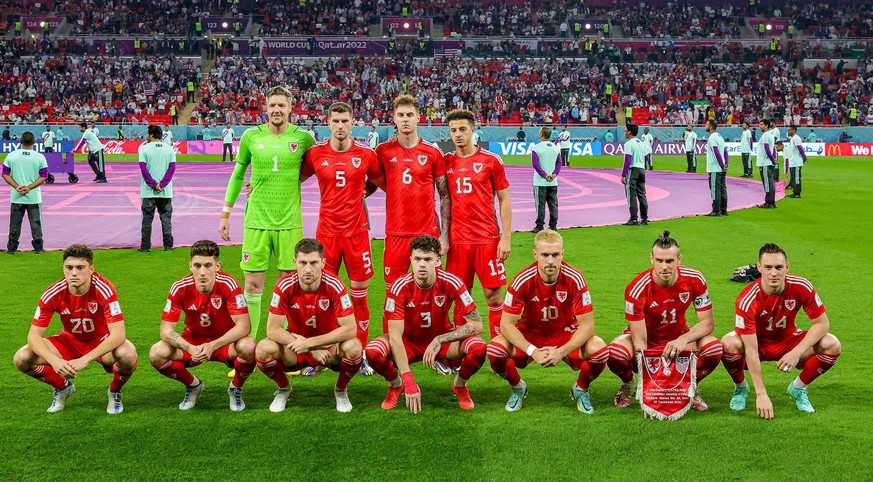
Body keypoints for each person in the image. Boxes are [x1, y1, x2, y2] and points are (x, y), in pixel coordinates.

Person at [219, 86, 316, 346]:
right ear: (266, 107)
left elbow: (317, 166)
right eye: (272, 105)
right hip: (256, 221)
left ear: (290, 108)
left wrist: (290, 181)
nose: (276, 110)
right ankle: (248, 345)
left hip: (289, 223)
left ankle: (286, 346)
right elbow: (239, 173)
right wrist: (226, 213)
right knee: (251, 285)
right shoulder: (251, 136)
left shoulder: (304, 138)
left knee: (289, 287)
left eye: (281, 105)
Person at [300, 102, 384, 374]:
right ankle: (322, 357)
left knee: (359, 297)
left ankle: (359, 355)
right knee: (323, 298)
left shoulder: (366, 155)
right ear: (328, 122)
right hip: (326, 236)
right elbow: (293, 180)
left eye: (344, 121)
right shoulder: (315, 154)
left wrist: (364, 193)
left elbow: (382, 181)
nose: (339, 125)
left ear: (352, 123)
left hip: (357, 234)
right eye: (335, 121)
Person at [487, 230, 609, 413]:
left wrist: (562, 352)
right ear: (535, 254)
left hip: (565, 334)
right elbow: (506, 325)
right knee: (495, 350)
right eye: (545, 255)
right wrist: (532, 351)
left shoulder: (575, 278)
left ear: (562, 254)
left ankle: (581, 389)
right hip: (531, 335)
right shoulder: (522, 280)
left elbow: (588, 326)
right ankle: (517, 387)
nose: (550, 261)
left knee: (600, 350)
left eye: (555, 255)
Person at [365, 235, 487, 412]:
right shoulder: (398, 287)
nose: (422, 264)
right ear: (411, 260)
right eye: (417, 259)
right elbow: (395, 337)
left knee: (478, 347)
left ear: (438, 260)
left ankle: (459, 385)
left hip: (443, 342)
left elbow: (477, 325)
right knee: (373, 351)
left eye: (428, 259)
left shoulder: (452, 282)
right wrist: (408, 380)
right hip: (409, 343)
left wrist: (439, 340)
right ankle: (396, 384)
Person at [12, 244, 138, 414]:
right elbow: (34, 336)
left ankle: (114, 391)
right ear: (63, 268)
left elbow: (118, 334)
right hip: (69, 341)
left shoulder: (104, 288)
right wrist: (54, 361)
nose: (74, 273)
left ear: (91, 269)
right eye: (69, 268)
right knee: (22, 357)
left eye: (80, 268)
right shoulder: (53, 293)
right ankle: (62, 387)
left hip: (101, 340)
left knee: (128, 355)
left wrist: (85, 359)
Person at [721, 243, 841, 418]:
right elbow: (751, 350)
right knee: (728, 343)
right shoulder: (747, 299)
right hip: (757, 343)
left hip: (788, 340)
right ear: (759, 267)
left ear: (787, 267)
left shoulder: (802, 286)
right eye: (768, 267)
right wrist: (761, 394)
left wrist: (796, 352)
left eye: (778, 267)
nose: (774, 273)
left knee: (832, 344)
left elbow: (822, 324)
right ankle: (741, 388)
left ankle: (798, 389)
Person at [607, 230, 724, 411]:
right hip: (647, 340)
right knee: (615, 353)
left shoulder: (695, 279)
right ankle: (628, 383)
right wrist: (649, 392)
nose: (664, 267)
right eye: (659, 260)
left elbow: (708, 323)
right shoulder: (636, 288)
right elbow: (640, 343)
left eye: (669, 261)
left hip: (679, 339)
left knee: (714, 348)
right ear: (651, 259)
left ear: (679, 260)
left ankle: (690, 387)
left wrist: (683, 339)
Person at [254, 239, 363, 413]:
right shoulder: (284, 286)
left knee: (355, 348)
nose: (308, 269)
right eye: (303, 263)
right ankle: (284, 389)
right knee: (263, 349)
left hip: (328, 350)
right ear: (295, 263)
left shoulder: (335, 284)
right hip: (296, 348)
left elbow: (350, 329)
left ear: (323, 263)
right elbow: (272, 329)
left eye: (313, 263)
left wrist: (311, 342)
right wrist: (308, 347)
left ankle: (341, 390)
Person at [149, 240, 257, 411]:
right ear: (190, 266)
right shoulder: (179, 287)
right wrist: (191, 348)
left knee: (249, 346)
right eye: (197, 265)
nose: (202, 272)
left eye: (208, 265)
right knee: (156, 353)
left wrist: (213, 345)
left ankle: (235, 388)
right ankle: (193, 385)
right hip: (194, 342)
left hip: (224, 343)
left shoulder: (229, 284)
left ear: (217, 266)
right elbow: (166, 330)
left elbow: (244, 327)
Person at [444, 109, 512, 339]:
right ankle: (462, 349)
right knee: (459, 296)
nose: (458, 134)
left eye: (463, 129)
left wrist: (506, 237)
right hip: (457, 241)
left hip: (487, 239)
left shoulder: (491, 161)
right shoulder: (445, 162)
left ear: (473, 129)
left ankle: (496, 350)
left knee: (493, 296)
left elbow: (504, 200)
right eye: (453, 130)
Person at [373, 94, 451, 288]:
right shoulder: (382, 151)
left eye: (410, 114)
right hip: (395, 232)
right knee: (392, 288)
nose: (405, 118)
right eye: (401, 115)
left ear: (418, 117)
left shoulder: (432, 152)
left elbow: (445, 195)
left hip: (427, 231)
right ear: (394, 118)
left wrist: (445, 235)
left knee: (432, 288)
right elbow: (370, 182)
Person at [3, 132, 47, 254]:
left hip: (17, 196)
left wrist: (17, 186)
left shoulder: (11, 156)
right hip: (33, 196)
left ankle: (11, 248)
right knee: (36, 223)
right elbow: (44, 176)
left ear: (20, 141)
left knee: (15, 224)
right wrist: (29, 187)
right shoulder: (39, 157)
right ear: (34, 142)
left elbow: (5, 174)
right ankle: (39, 248)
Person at [138, 125, 176, 252]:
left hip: (148, 192)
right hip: (165, 192)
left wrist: (153, 185)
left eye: (147, 133)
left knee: (147, 220)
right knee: (166, 219)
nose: (146, 136)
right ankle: (168, 245)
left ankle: (145, 246)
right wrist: (162, 184)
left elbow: (144, 169)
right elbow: (171, 169)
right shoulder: (169, 149)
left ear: (151, 134)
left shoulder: (144, 149)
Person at [531, 127, 561, 233]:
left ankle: (539, 225)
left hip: (540, 182)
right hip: (553, 181)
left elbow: (535, 164)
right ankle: (553, 225)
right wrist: (554, 174)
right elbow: (559, 163)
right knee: (553, 203)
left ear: (541, 135)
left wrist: (544, 175)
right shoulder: (555, 147)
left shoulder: (536, 148)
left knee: (540, 204)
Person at [621, 123, 649, 226]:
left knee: (631, 194)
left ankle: (633, 218)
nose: (624, 132)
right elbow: (647, 157)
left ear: (629, 132)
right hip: (641, 169)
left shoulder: (628, 144)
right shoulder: (641, 143)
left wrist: (624, 174)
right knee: (642, 193)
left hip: (633, 170)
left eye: (625, 130)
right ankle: (644, 218)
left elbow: (627, 160)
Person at [704, 120, 729, 217]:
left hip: (715, 167)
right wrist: (726, 163)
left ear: (710, 126)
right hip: (721, 168)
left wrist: (722, 164)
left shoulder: (712, 138)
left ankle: (716, 210)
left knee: (715, 189)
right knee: (723, 188)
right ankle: (724, 209)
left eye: (706, 124)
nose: (705, 126)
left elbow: (716, 151)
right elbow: (725, 151)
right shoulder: (720, 137)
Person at [755, 119, 778, 208]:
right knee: (771, 182)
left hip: (764, 163)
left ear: (767, 126)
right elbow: (772, 149)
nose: (759, 126)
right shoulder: (771, 135)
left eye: (761, 124)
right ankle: (772, 202)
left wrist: (772, 159)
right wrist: (774, 159)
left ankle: (768, 202)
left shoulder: (765, 135)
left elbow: (767, 149)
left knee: (767, 183)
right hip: (768, 162)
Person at [782, 124, 808, 198]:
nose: (788, 131)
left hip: (796, 162)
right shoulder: (792, 139)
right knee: (794, 177)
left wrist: (804, 157)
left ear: (794, 130)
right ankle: (795, 192)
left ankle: (797, 193)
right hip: (793, 162)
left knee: (797, 178)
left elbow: (800, 148)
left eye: (789, 130)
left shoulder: (796, 138)